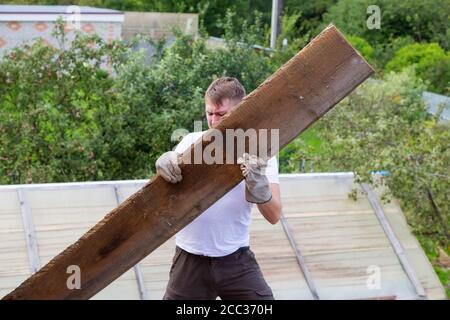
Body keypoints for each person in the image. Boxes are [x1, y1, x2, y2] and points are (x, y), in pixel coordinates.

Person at [155, 77, 281, 300]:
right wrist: (163, 165)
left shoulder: (259, 151)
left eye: (221, 114)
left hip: (236, 260)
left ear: (241, 109)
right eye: (209, 113)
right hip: (189, 261)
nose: (213, 121)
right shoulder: (191, 143)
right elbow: (164, 198)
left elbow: (274, 216)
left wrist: (259, 185)